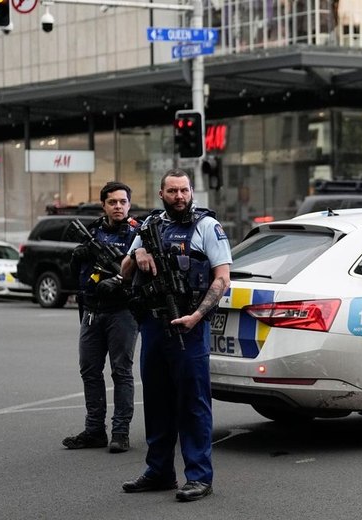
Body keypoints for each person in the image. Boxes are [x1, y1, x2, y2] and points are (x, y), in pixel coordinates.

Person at [120, 169, 232, 502]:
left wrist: (197, 316)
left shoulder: (207, 227)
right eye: (172, 191)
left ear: (192, 192)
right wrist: (136, 253)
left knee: (193, 404)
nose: (179, 196)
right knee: (156, 402)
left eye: (184, 190)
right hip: (154, 326)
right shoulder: (148, 226)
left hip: (190, 326)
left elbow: (222, 278)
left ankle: (199, 477)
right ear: (161, 193)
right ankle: (159, 472)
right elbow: (123, 272)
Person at [62, 181, 140, 453]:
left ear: (129, 204)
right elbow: (76, 274)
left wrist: (120, 281)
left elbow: (146, 272)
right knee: (89, 370)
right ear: (103, 205)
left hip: (122, 311)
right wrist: (78, 256)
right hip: (93, 310)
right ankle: (95, 430)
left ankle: (120, 432)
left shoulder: (138, 234)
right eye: (112, 202)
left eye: (122, 202)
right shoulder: (93, 232)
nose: (118, 206)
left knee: (121, 372)